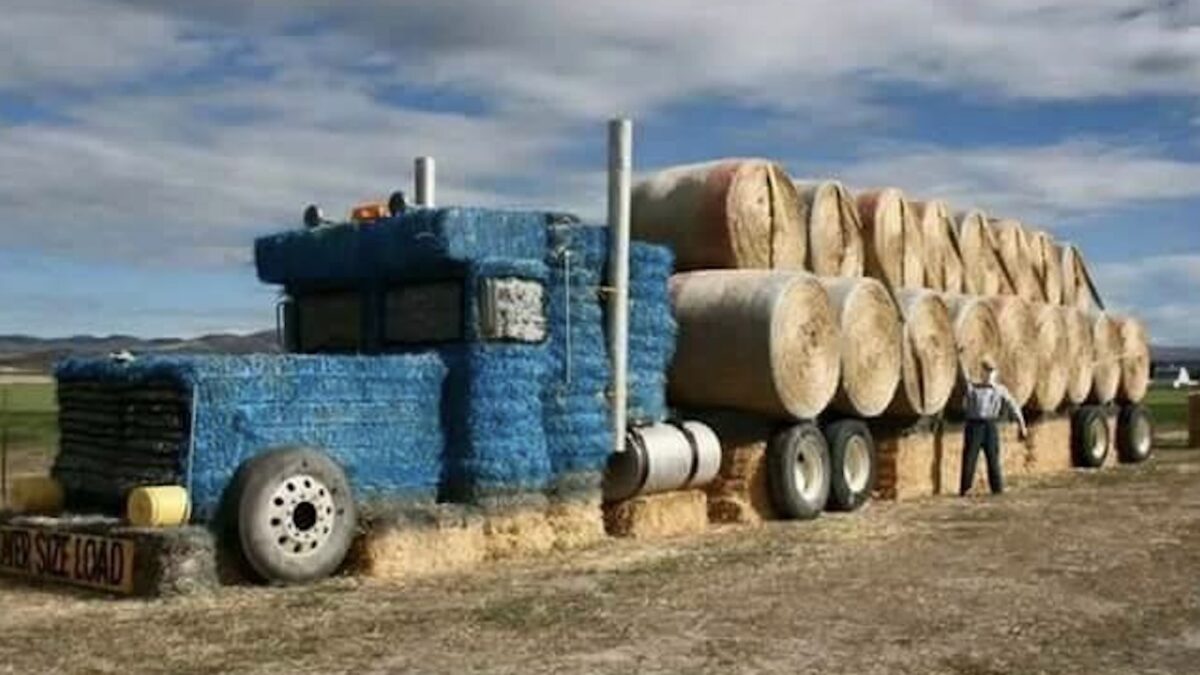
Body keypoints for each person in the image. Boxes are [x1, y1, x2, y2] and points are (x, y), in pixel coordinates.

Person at [960, 358, 1027, 496]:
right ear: (982, 372)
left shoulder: (1000, 389)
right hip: (974, 425)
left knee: (993, 460)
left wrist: (1022, 424)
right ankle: (966, 489)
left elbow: (1013, 406)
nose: (990, 374)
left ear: (996, 373)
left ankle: (997, 489)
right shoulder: (973, 387)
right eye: (987, 370)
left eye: (992, 371)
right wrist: (961, 358)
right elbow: (963, 374)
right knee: (969, 459)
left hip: (990, 426)